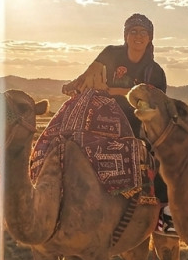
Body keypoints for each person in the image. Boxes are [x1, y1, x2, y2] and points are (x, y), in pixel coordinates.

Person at [63, 13, 176, 234]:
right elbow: (89, 74)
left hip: (137, 121)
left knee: (160, 155)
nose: (138, 36)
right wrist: (75, 85)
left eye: (143, 32)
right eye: (133, 31)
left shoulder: (154, 71)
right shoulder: (111, 54)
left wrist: (113, 91)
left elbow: (153, 98)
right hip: (104, 119)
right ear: (125, 35)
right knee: (68, 146)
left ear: (150, 38)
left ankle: (165, 215)